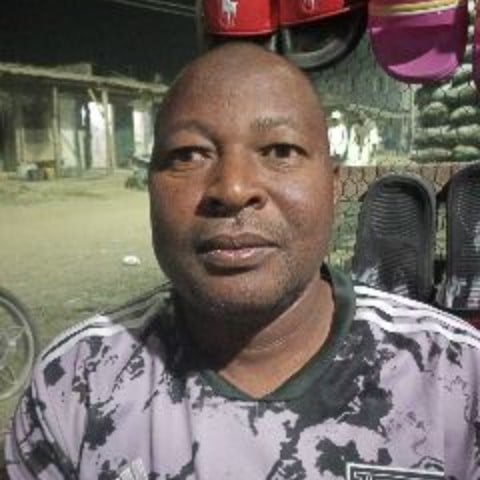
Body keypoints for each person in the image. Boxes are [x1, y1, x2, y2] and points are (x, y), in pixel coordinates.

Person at [4, 43, 480, 479]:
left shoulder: (456, 376)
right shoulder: (74, 386)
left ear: (333, 187)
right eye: (189, 154)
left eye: (280, 151)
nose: (232, 189)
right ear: (150, 188)